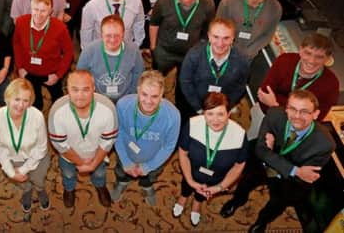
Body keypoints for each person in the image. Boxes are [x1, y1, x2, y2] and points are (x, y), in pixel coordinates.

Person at [224, 92, 336, 233]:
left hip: (288, 181)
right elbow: (260, 150)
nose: (296, 116)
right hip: (265, 166)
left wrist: (272, 154)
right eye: (292, 109)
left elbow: (306, 177)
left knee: (277, 204)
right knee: (245, 183)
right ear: (286, 108)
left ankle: (261, 222)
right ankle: (236, 202)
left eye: (304, 111)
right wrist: (295, 169)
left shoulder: (325, 144)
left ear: (315, 114)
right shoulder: (274, 115)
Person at [173, 93, 247, 227]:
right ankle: (183, 198)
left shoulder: (239, 135)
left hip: (215, 179)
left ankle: (197, 203)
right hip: (191, 171)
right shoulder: (192, 124)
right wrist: (190, 180)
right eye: (210, 114)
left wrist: (219, 187)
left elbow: (239, 165)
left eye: (220, 114)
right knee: (185, 185)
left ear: (229, 113)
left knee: (204, 190)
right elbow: (183, 154)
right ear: (203, 113)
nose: (215, 120)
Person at [48, 70, 118, 208]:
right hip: (69, 155)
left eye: (86, 89)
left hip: (97, 154)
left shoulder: (108, 108)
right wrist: (81, 163)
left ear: (94, 89)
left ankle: (100, 186)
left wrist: (93, 164)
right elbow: (61, 145)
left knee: (99, 173)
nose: (80, 96)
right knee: (68, 174)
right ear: (67, 89)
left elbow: (108, 141)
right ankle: (69, 189)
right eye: (75, 89)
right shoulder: (57, 112)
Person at [110, 70, 180, 204]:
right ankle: (122, 182)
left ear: (162, 95)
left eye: (154, 96)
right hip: (126, 153)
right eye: (144, 94)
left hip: (155, 158)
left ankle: (146, 185)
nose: (148, 101)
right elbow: (118, 133)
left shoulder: (173, 115)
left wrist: (148, 167)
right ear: (138, 90)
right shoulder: (123, 105)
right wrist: (125, 161)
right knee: (120, 171)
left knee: (151, 176)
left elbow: (169, 146)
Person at [0, 79, 51, 212]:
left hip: (37, 158)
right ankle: (27, 191)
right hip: (12, 159)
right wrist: (11, 171)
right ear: (7, 97)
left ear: (30, 101)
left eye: (25, 100)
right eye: (17, 99)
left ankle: (40, 190)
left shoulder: (37, 116)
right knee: (23, 183)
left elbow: (42, 148)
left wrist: (24, 169)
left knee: (38, 179)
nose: (21, 105)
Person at [149, 0, 215, 74]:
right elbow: (154, 24)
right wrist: (153, 48)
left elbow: (208, 30)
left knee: (184, 87)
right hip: (164, 53)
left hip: (190, 53)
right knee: (159, 85)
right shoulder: (164, 0)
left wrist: (200, 52)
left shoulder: (208, 3)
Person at [256, 32, 339, 120]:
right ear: (300, 50)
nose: (311, 60)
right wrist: (300, 112)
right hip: (265, 114)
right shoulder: (284, 60)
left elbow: (315, 120)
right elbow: (263, 94)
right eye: (308, 53)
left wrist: (274, 105)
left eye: (319, 57)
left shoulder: (331, 85)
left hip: (294, 130)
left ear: (327, 59)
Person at [13, 0, 73, 110]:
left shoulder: (60, 28)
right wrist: (20, 67)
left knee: (58, 102)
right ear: (31, 8)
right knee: (35, 103)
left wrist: (58, 75)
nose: (38, 14)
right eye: (35, 9)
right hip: (28, 71)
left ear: (50, 11)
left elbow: (69, 53)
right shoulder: (21, 22)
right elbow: (16, 44)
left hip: (51, 72)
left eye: (43, 11)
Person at [179, 18, 250, 118]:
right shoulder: (193, 55)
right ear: (208, 35)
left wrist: (227, 107)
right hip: (195, 105)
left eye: (226, 38)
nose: (220, 43)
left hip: (222, 108)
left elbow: (240, 87)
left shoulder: (242, 61)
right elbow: (185, 82)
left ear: (233, 38)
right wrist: (198, 108)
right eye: (216, 37)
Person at [216, 0, 282, 61]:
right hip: (223, 50)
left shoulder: (275, 8)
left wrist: (249, 52)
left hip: (247, 58)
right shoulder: (229, 0)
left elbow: (268, 35)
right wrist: (225, 47)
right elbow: (218, 27)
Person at [76, 15, 145, 102]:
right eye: (108, 35)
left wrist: (129, 98)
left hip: (125, 99)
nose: (112, 40)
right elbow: (81, 77)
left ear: (123, 33)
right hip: (97, 100)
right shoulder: (89, 51)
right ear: (101, 34)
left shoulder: (134, 51)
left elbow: (138, 75)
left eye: (117, 35)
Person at [81, 0, 145, 49]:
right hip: (101, 50)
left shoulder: (136, 1)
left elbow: (139, 24)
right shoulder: (92, 6)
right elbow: (86, 36)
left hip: (126, 48)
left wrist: (135, 47)